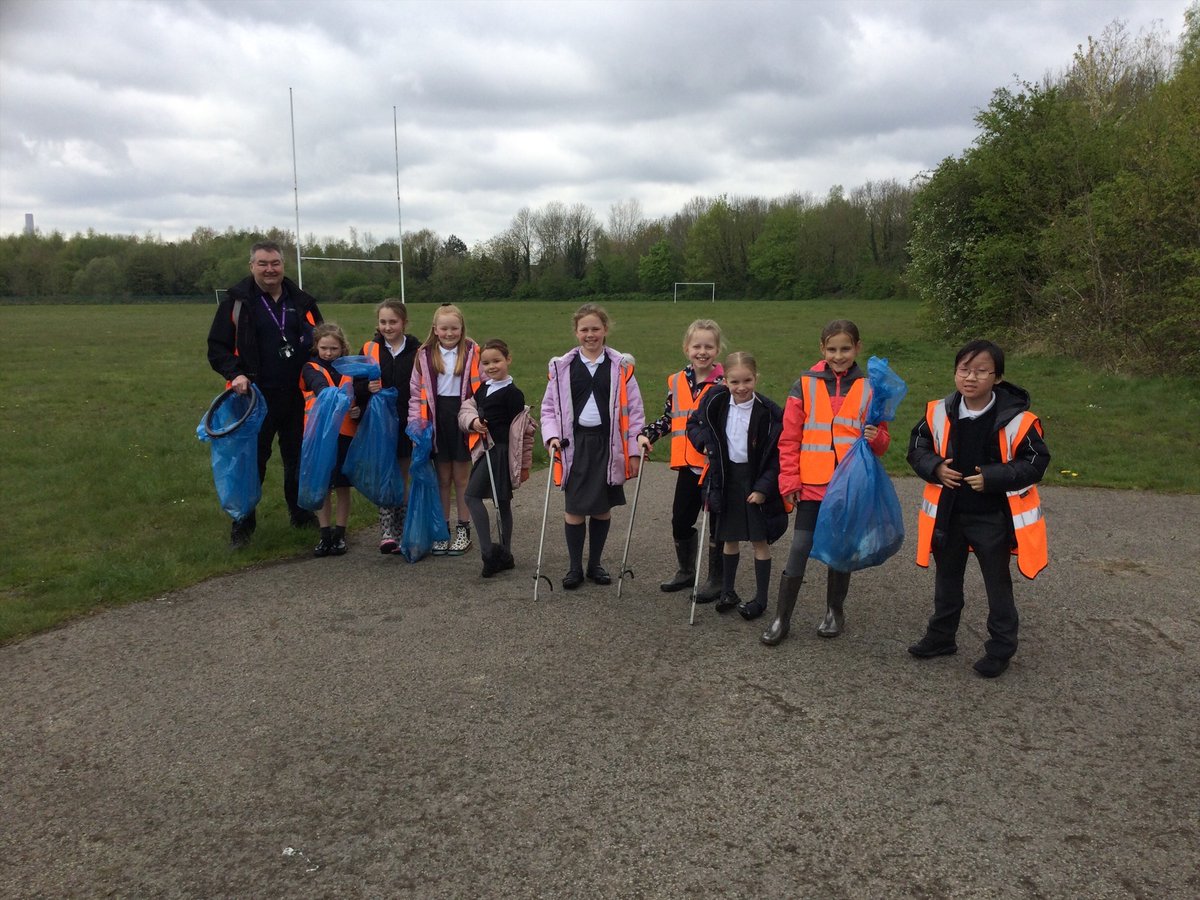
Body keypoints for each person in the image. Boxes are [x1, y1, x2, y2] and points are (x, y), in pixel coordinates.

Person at [906, 339, 1049, 678]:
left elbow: (1036, 462)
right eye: (964, 370)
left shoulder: (1020, 420)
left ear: (997, 377)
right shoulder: (937, 411)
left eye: (981, 371)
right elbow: (917, 447)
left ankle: (1000, 648)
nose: (971, 378)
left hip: (992, 517)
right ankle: (941, 637)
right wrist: (936, 467)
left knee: (997, 585)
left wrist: (994, 476)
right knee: (947, 580)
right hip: (950, 513)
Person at [762, 320, 891, 646]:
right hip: (812, 485)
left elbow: (883, 440)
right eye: (832, 349)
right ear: (822, 349)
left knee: (841, 550)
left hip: (851, 485)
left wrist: (877, 439)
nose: (838, 355)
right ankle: (782, 618)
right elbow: (789, 438)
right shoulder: (804, 385)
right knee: (800, 548)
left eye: (845, 349)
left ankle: (835, 611)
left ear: (857, 348)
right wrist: (789, 478)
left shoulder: (872, 386)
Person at [207, 240, 323, 548]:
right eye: (263, 263)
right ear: (252, 266)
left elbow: (322, 343)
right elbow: (217, 348)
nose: (270, 269)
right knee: (251, 462)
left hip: (297, 395)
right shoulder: (237, 302)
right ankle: (243, 523)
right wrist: (235, 374)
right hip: (253, 399)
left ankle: (300, 513)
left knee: (297, 458)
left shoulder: (302, 302)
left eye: (275, 263)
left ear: (283, 266)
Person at [541, 303, 645, 590]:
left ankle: (594, 564)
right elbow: (549, 408)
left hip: (608, 446)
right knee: (574, 509)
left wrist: (633, 451)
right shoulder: (562, 367)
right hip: (574, 445)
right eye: (584, 329)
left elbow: (634, 411)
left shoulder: (621, 367)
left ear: (605, 330)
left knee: (601, 509)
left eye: (595, 329)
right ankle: (574, 568)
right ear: (576, 332)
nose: (590, 334)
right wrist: (551, 437)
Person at [686, 351, 787, 620]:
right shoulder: (715, 403)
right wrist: (704, 443)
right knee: (728, 538)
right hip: (726, 479)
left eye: (747, 381)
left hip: (754, 482)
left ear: (756, 378)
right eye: (734, 382)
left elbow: (776, 457)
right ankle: (727, 591)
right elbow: (693, 424)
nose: (741, 388)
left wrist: (764, 489)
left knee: (758, 540)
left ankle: (761, 599)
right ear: (725, 381)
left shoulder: (769, 413)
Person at [637, 319, 726, 596]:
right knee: (680, 521)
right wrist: (648, 434)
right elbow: (670, 417)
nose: (702, 351)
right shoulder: (677, 381)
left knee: (717, 525)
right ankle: (686, 571)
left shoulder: (725, 383)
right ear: (686, 348)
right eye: (697, 346)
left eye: (708, 346)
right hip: (688, 466)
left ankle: (716, 579)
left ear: (717, 349)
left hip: (714, 467)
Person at [458, 339, 537, 577]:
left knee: (479, 498)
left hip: (501, 452)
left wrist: (523, 464)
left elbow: (522, 432)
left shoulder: (513, 394)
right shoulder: (483, 388)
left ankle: (495, 554)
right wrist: (475, 423)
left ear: (508, 360)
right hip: (486, 449)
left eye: (496, 361)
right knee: (484, 499)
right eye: (486, 363)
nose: (491, 367)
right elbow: (468, 407)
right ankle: (498, 554)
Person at [407, 304, 481, 556]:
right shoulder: (425, 354)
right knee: (442, 479)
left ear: (462, 329)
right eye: (444, 328)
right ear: (435, 330)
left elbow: (483, 384)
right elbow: (416, 393)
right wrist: (416, 426)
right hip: (435, 419)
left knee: (461, 478)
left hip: (461, 417)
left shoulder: (472, 352)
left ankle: (463, 530)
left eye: (454, 328)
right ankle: (442, 530)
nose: (449, 333)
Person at [358, 298, 419, 555]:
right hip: (380, 423)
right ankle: (386, 531)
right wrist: (366, 389)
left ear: (404, 322)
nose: (387, 326)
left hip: (406, 420)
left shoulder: (417, 350)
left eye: (393, 321)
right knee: (385, 474)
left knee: (402, 475)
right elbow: (355, 383)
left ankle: (404, 529)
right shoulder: (370, 349)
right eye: (383, 322)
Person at [300, 323, 361, 557]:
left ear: (342, 348)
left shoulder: (350, 369)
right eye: (324, 348)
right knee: (323, 485)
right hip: (318, 436)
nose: (328, 353)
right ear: (316, 347)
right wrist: (329, 392)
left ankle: (340, 534)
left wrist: (358, 409)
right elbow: (317, 384)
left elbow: (360, 394)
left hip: (345, 434)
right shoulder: (310, 368)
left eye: (333, 348)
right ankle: (324, 533)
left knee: (343, 486)